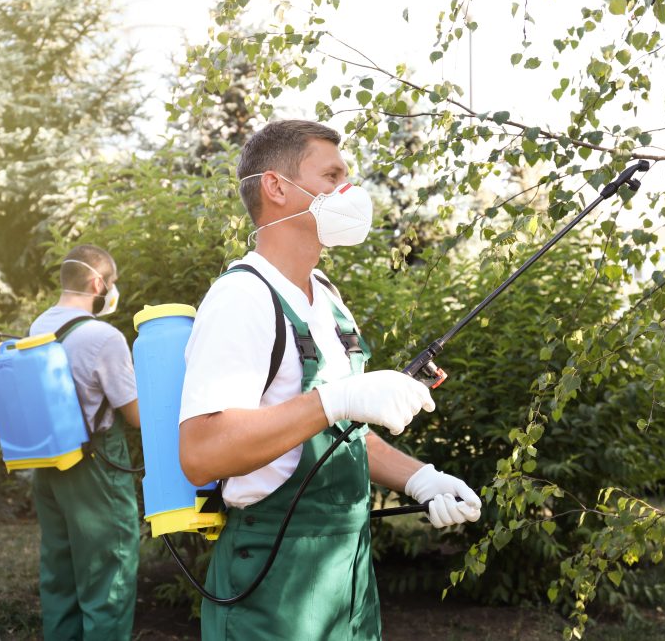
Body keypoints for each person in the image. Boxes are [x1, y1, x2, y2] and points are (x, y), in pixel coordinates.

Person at [179, 120, 482, 640]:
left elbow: (339, 435)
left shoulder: (326, 296)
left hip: (347, 571)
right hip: (274, 583)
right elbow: (203, 453)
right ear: (276, 187)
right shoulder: (243, 298)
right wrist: (334, 399)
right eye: (332, 175)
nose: (348, 191)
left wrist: (418, 478)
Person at [28, 243, 141, 641]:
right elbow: (137, 415)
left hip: (48, 463)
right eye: (112, 284)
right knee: (109, 577)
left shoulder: (38, 326)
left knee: (60, 574)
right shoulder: (103, 336)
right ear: (97, 283)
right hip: (95, 469)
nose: (112, 291)